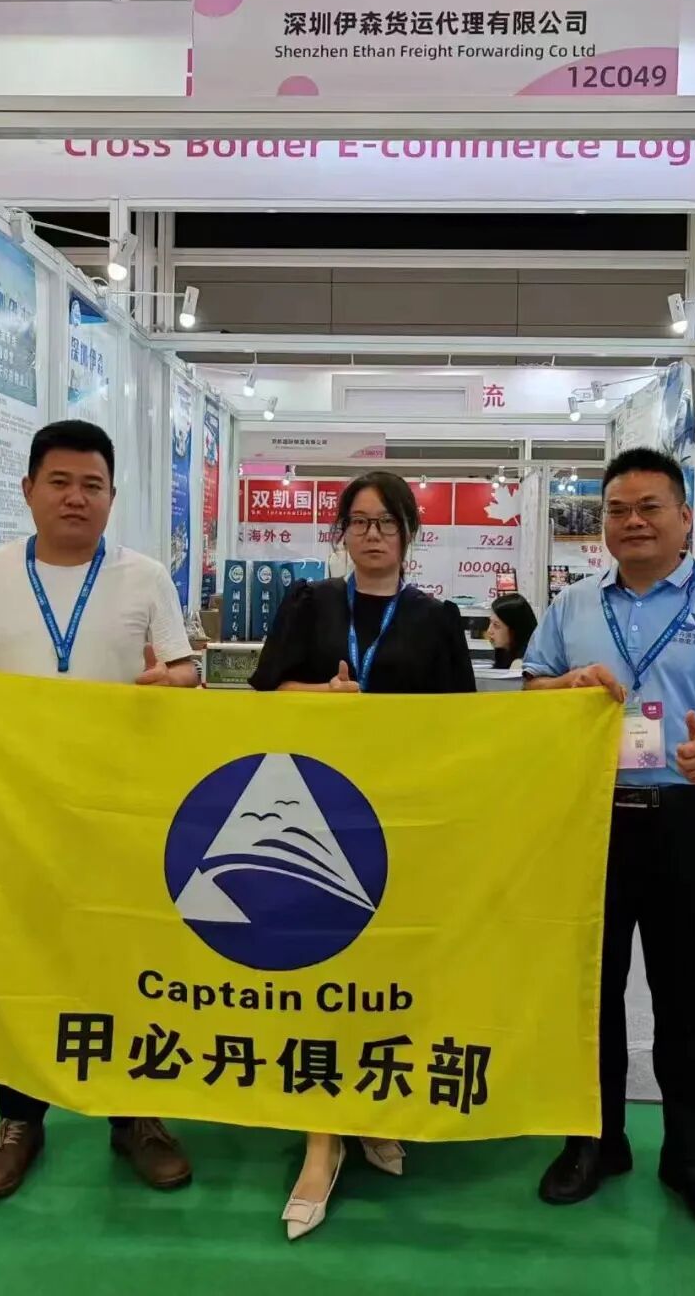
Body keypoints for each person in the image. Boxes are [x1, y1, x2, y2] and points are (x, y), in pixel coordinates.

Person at [0, 420, 200, 1202]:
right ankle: (19, 1119)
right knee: (18, 956)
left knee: (126, 956)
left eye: (92, 484)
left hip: (120, 811)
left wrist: (179, 681)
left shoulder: (145, 577)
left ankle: (135, 1114)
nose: (75, 497)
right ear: (27, 490)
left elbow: (184, 666)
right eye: (60, 481)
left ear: (112, 496)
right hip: (14, 811)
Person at [523, 447, 695, 1244]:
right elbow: (533, 685)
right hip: (589, 819)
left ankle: (694, 1159)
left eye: (649, 507)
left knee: (684, 995)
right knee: (590, 991)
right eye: (617, 510)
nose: (632, 521)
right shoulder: (573, 604)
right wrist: (564, 686)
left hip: (684, 819)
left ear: (684, 516)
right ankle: (594, 1141)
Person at [250, 469, 475, 1240]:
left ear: (410, 532)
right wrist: (329, 697)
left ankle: (376, 1109)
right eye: (359, 520)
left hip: (405, 821)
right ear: (341, 532)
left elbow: (462, 728)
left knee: (389, 975)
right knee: (321, 976)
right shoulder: (309, 604)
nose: (372, 534)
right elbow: (266, 694)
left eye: (387, 521)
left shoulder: (436, 619)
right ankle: (322, 1141)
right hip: (313, 818)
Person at [485, 592, 538, 670]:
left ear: (515, 629)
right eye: (490, 623)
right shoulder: (504, 654)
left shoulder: (522, 665)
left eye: (496, 625)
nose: (489, 631)